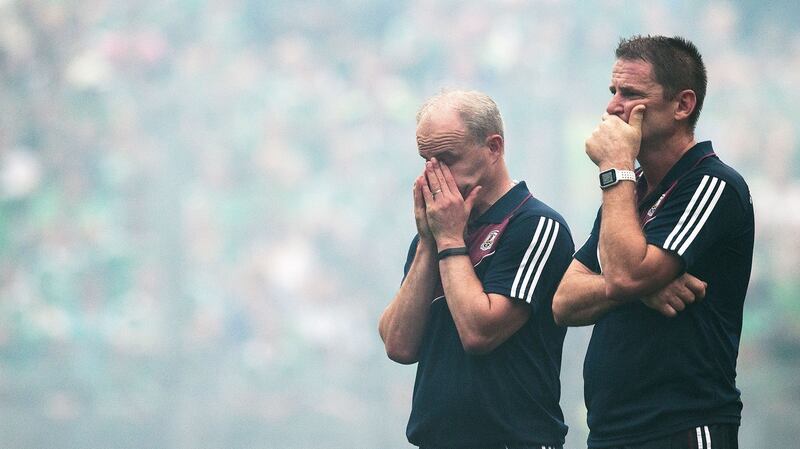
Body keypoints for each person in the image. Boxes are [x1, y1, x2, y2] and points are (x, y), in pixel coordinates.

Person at [552, 35, 754, 449]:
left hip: (682, 427)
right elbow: (564, 301)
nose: (613, 107)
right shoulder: (632, 193)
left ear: (683, 105)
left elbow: (624, 275)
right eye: (613, 92)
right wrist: (643, 286)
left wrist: (615, 165)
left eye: (631, 94)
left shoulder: (712, 185)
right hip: (611, 432)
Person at [379, 90, 573, 449]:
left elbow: (480, 333)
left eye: (448, 158)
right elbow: (398, 344)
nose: (435, 176)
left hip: (513, 440)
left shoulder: (535, 225)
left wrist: (450, 241)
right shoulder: (436, 234)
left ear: (494, 147)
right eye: (427, 161)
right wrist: (427, 243)